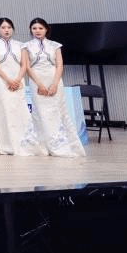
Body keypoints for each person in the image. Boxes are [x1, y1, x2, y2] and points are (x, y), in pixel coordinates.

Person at [25, 18, 86, 158]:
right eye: (34, 28)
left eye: (40, 28)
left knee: (58, 111)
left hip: (55, 80)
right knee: (40, 113)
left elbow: (59, 65)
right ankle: (43, 146)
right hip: (36, 81)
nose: (37, 31)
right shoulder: (26, 46)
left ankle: (64, 145)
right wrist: (40, 84)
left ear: (46, 29)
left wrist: (55, 84)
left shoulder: (55, 45)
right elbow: (27, 67)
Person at [0, 18, 41, 156]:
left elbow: (24, 65)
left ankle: (23, 142)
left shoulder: (21, 45)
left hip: (19, 81)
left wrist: (17, 80)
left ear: (13, 29)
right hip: (1, 81)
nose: (6, 30)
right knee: (3, 110)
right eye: (3, 27)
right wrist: (8, 80)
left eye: (9, 27)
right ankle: (4, 144)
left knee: (19, 110)